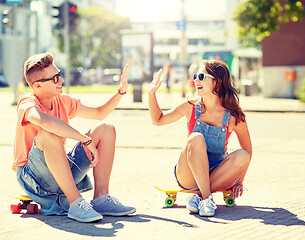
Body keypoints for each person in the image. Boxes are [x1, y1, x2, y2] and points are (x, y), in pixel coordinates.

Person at [13, 53, 136, 222]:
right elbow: (46, 122)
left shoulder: (62, 101)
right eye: (55, 78)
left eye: (60, 75)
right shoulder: (27, 104)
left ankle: (101, 198)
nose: (61, 80)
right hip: (34, 178)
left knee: (106, 129)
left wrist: (120, 91)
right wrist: (84, 139)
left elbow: (99, 113)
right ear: (38, 86)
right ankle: (75, 203)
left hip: (60, 172)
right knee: (49, 134)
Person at [148, 59, 252, 217]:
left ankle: (198, 196)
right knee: (196, 138)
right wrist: (151, 94)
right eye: (195, 76)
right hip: (188, 174)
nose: (195, 80)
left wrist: (240, 181)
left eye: (201, 76)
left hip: (218, 173)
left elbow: (247, 150)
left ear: (218, 82)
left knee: (243, 155)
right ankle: (206, 198)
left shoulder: (233, 116)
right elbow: (158, 120)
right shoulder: (189, 106)